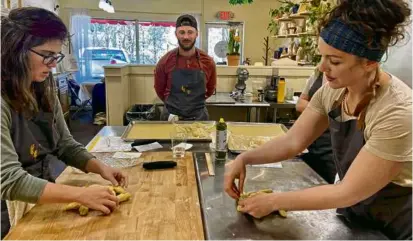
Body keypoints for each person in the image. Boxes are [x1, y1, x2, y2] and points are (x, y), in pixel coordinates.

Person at [224, 0, 412, 239]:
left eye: (334, 61)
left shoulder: (398, 111)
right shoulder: (333, 91)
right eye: (321, 56)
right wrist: (245, 158)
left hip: (395, 225)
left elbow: (347, 191)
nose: (322, 67)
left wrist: (274, 201)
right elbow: (293, 142)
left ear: (369, 62)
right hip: (356, 216)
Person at [1, 7, 128, 238]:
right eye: (47, 55)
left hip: (43, 198)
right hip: (7, 213)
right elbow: (9, 180)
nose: (53, 64)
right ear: (15, 50)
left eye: (56, 56)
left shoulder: (42, 90)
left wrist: (100, 167)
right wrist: (80, 195)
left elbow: (65, 145)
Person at [154, 14, 217, 121]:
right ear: (176, 34)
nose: (186, 37)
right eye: (182, 32)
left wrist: (193, 105)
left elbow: (210, 89)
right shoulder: (164, 62)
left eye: (190, 32)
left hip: (199, 118)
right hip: (172, 117)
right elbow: (159, 90)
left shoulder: (208, 62)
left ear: (197, 34)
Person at [296, 69, 336, 184]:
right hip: (310, 145)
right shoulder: (318, 74)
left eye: (335, 60)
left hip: (331, 150)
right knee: (308, 183)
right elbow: (300, 104)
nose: (323, 65)